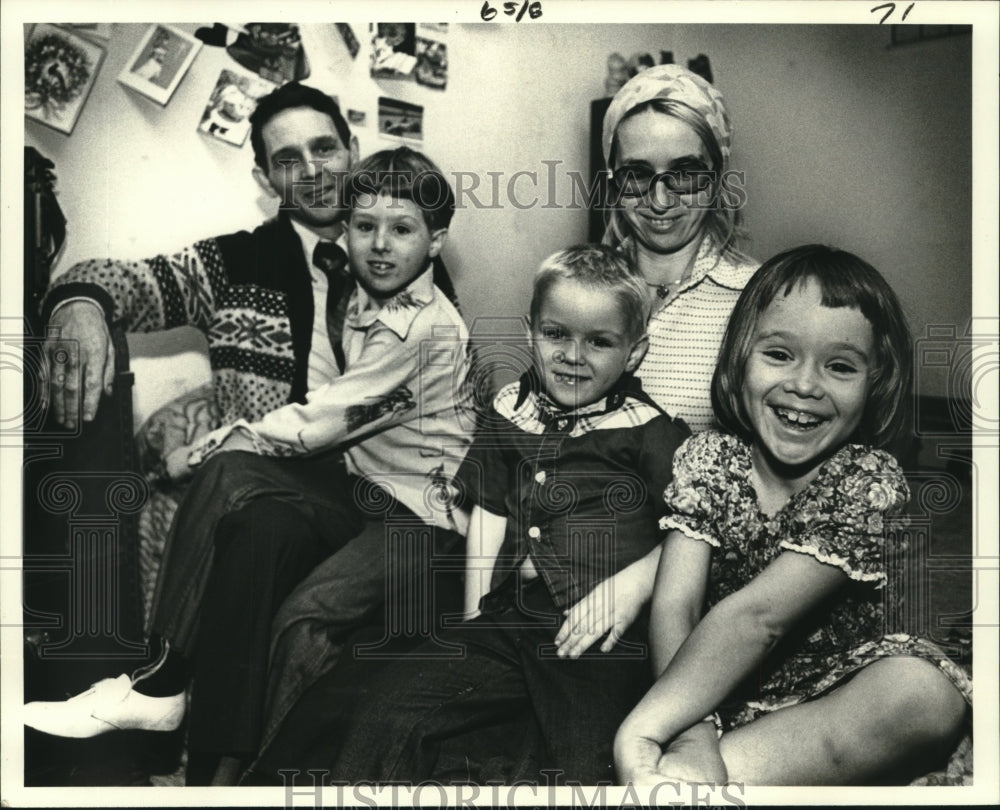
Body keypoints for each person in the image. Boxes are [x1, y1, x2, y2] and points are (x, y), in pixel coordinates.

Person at [25, 146, 474, 786]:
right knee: (232, 476)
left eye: (400, 230)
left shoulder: (424, 328)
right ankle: (159, 681)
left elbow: (322, 420)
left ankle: (261, 782)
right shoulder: (366, 298)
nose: (378, 244)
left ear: (435, 242)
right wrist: (80, 297)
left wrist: (206, 444)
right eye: (364, 226)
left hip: (420, 517)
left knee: (302, 614)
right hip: (359, 486)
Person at [325, 244, 691, 785]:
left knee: (582, 759)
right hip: (508, 616)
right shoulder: (509, 408)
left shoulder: (652, 431)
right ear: (530, 332)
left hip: (598, 637)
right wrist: (476, 613)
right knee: (389, 707)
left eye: (600, 341)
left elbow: (697, 533)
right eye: (556, 334)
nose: (573, 355)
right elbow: (489, 516)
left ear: (634, 353)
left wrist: (633, 587)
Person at [614, 245, 972, 786]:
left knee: (925, 695)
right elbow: (676, 603)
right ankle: (697, 763)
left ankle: (702, 774)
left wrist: (644, 732)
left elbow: (760, 618)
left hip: (833, 695)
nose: (805, 385)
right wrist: (689, 727)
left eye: (840, 366)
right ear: (739, 359)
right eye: (779, 355)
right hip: (710, 687)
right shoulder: (709, 459)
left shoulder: (867, 483)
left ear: (875, 383)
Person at [602, 64, 759, 432]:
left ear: (717, 178)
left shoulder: (757, 299)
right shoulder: (582, 287)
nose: (659, 200)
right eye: (637, 174)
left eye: (685, 174)